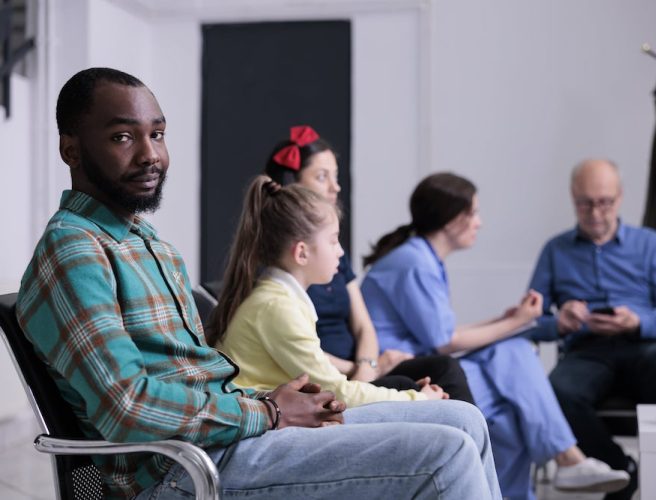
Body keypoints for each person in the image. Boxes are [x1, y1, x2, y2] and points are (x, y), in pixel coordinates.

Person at [15, 67, 504, 499]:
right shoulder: (75, 251)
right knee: (445, 454)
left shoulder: (147, 242)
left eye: (158, 134)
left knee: (463, 419)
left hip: (228, 439)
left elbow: (191, 371)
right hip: (179, 472)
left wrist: (276, 402)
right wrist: (268, 412)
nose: (151, 154)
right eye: (124, 137)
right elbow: (128, 405)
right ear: (71, 148)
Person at [361, 172, 631, 500]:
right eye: (473, 213)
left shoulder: (421, 257)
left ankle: (553, 467)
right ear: (452, 220)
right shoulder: (414, 263)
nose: (480, 222)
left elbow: (444, 333)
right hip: (405, 374)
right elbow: (444, 340)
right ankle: (568, 457)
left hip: (426, 364)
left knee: (509, 413)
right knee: (513, 360)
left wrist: (508, 319)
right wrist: (514, 324)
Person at [260, 125, 473, 401]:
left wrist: (368, 365)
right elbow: (301, 354)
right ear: (293, 186)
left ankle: (475, 444)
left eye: (335, 177)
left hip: (357, 366)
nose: (335, 187)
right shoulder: (276, 279)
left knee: (444, 368)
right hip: (324, 372)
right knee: (408, 384)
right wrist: (362, 371)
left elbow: (364, 326)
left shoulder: (332, 257)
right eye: (322, 177)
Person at [208, 175, 448, 407]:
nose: (340, 252)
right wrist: (419, 401)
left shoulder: (279, 299)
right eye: (333, 241)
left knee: (405, 385)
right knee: (427, 399)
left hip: (279, 414)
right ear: (301, 253)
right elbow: (336, 393)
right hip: (267, 428)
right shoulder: (277, 307)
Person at [527, 159, 656, 500]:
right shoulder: (556, 250)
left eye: (605, 202)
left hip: (644, 346)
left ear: (620, 197)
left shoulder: (651, 245)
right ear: (573, 198)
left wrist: (638, 321)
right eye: (585, 203)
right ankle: (619, 470)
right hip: (586, 350)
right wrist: (560, 321)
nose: (596, 213)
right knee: (555, 391)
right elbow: (528, 322)